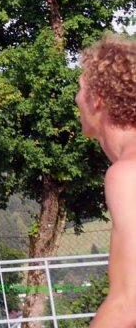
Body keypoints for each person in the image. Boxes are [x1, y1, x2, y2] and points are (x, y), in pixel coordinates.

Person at [76, 32, 136, 328]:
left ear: (97, 99)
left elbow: (129, 303)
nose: (76, 99)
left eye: (80, 89)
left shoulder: (127, 173)